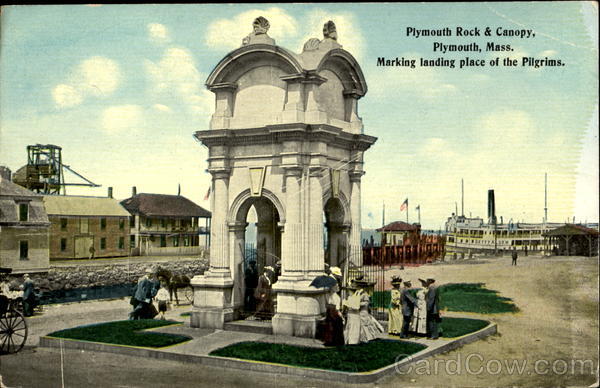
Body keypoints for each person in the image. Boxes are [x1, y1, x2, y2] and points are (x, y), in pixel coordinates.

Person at [343, 278, 384, 344]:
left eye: (359, 286)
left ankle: (368, 337)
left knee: (365, 324)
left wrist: (358, 304)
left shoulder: (364, 294)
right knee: (360, 326)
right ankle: (361, 338)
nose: (357, 287)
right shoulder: (356, 293)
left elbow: (366, 303)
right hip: (358, 311)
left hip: (363, 311)